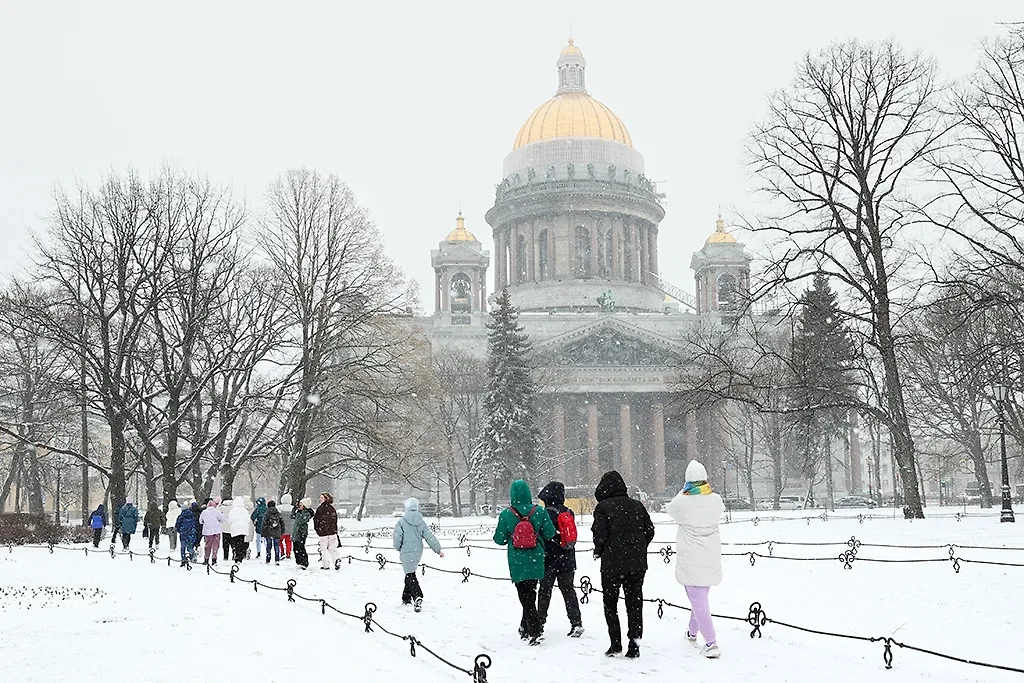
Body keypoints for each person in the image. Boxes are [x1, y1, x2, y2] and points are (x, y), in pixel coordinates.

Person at [592, 470, 655, 659]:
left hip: (612, 564)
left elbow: (600, 535)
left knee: (610, 603)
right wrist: (638, 547)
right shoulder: (637, 505)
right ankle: (634, 646)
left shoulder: (603, 507)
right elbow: (650, 531)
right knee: (635, 604)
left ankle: (615, 644)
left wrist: (599, 550)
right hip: (637, 564)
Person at [665, 460, 724, 659]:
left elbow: (670, 509)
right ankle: (691, 634)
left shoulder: (682, 502)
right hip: (710, 556)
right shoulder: (716, 501)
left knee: (698, 601)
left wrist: (684, 491)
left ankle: (711, 642)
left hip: (691, 558)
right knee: (700, 599)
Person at [492, 479, 556, 646]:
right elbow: (550, 533)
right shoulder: (539, 511)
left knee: (524, 595)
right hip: (536, 558)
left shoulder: (506, 514)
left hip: (517, 560)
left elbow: (499, 539)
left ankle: (535, 630)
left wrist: (512, 534)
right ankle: (525, 627)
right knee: (531, 593)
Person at [536, 482, 583, 638]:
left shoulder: (545, 513)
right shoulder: (568, 512)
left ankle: (539, 623)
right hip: (567, 558)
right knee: (568, 590)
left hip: (549, 559)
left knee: (544, 592)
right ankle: (576, 622)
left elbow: (543, 535)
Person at [393, 498, 444, 611]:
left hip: (405, 551)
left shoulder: (401, 522)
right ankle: (406, 598)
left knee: (410, 574)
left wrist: (398, 547)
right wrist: (438, 550)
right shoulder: (421, 522)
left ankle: (417, 595)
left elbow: (397, 538)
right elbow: (429, 537)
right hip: (417, 551)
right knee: (410, 572)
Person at [313, 492, 340, 570]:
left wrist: (318, 529)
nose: (320, 499)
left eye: (322, 498)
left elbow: (316, 520)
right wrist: (334, 530)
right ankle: (336, 559)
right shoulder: (332, 509)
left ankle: (326, 564)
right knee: (333, 548)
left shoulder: (320, 509)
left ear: (325, 499)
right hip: (332, 532)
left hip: (323, 532)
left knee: (324, 549)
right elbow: (335, 520)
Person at [199, 500, 227, 565]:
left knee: (207, 546)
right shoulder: (217, 512)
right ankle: (214, 559)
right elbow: (223, 519)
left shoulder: (204, 512)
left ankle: (206, 559)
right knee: (215, 546)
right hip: (216, 531)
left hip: (207, 531)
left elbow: (200, 521)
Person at [291, 498, 314, 570]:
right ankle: (299, 562)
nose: (299, 506)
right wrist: (294, 509)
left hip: (301, 533)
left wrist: (300, 512)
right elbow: (292, 516)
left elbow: (300, 521)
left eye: (300, 505)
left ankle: (304, 562)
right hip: (296, 533)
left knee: (301, 548)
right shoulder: (298, 512)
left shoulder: (306, 513)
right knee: (295, 548)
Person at [174, 502, 198, 566]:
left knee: (183, 548)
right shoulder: (192, 516)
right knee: (189, 547)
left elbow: (177, 525)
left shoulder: (181, 516)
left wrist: (180, 531)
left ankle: (183, 560)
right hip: (191, 534)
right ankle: (192, 553)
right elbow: (194, 524)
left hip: (183, 534)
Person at [261, 501, 285, 565]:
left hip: (268, 532)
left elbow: (264, 523)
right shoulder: (278, 513)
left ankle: (268, 559)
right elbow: (282, 523)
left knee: (269, 546)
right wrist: (282, 531)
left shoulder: (267, 513)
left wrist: (263, 532)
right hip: (277, 532)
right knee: (276, 546)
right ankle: (277, 559)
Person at [228, 496, 250, 563]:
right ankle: (240, 556)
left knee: (236, 543)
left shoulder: (233, 511)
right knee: (241, 542)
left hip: (235, 529)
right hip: (243, 529)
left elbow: (229, 520)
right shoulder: (245, 510)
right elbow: (248, 519)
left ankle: (237, 555)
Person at [279, 494, 294, 559]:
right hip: (290, 529)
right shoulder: (293, 508)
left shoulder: (279, 508)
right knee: (288, 542)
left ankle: (282, 552)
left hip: (281, 528)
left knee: (279, 541)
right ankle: (288, 553)